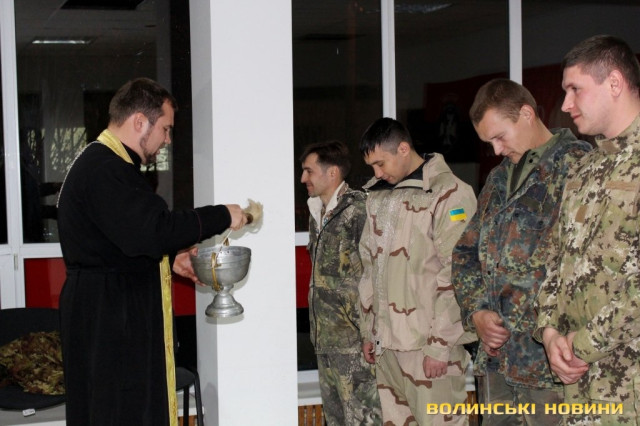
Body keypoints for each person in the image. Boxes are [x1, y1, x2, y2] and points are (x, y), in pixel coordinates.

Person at [57, 77, 248, 426]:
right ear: (139, 122)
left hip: (108, 312)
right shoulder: (105, 169)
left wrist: (169, 259)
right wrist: (222, 214)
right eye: (166, 129)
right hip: (110, 322)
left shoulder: (106, 164)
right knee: (120, 413)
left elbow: (121, 240)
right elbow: (153, 230)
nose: (167, 140)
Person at [451, 78, 591, 425]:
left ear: (527, 114)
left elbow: (589, 268)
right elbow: (466, 253)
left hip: (550, 368)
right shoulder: (499, 179)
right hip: (498, 364)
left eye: (500, 137)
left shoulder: (579, 168)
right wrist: (477, 313)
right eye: (489, 142)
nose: (496, 150)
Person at [534, 34, 640, 425]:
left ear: (614, 83)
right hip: (578, 388)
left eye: (575, 89)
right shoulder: (584, 169)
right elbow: (554, 259)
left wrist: (582, 345)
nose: (565, 105)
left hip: (628, 386)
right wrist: (549, 333)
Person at [358, 117, 477, 425]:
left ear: (403, 148)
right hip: (386, 348)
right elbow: (369, 267)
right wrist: (369, 330)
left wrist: (440, 346)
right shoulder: (379, 196)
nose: (377, 173)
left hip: (427, 349)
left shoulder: (448, 194)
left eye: (380, 163)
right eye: (372, 167)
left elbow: (459, 274)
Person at [300, 140, 382, 425]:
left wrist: (370, 333)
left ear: (332, 172)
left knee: (363, 419)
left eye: (309, 171)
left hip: (354, 344)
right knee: (335, 420)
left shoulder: (358, 210)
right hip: (325, 341)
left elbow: (375, 273)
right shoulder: (317, 212)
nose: (303, 178)